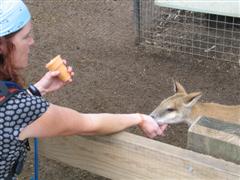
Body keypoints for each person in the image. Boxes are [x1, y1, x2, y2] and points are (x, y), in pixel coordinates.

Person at [0, 0, 168, 179]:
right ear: (2, 46)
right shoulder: (20, 109)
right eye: (25, 37)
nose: (32, 41)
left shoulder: (15, 106)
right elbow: (89, 124)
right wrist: (139, 118)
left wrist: (37, 90)